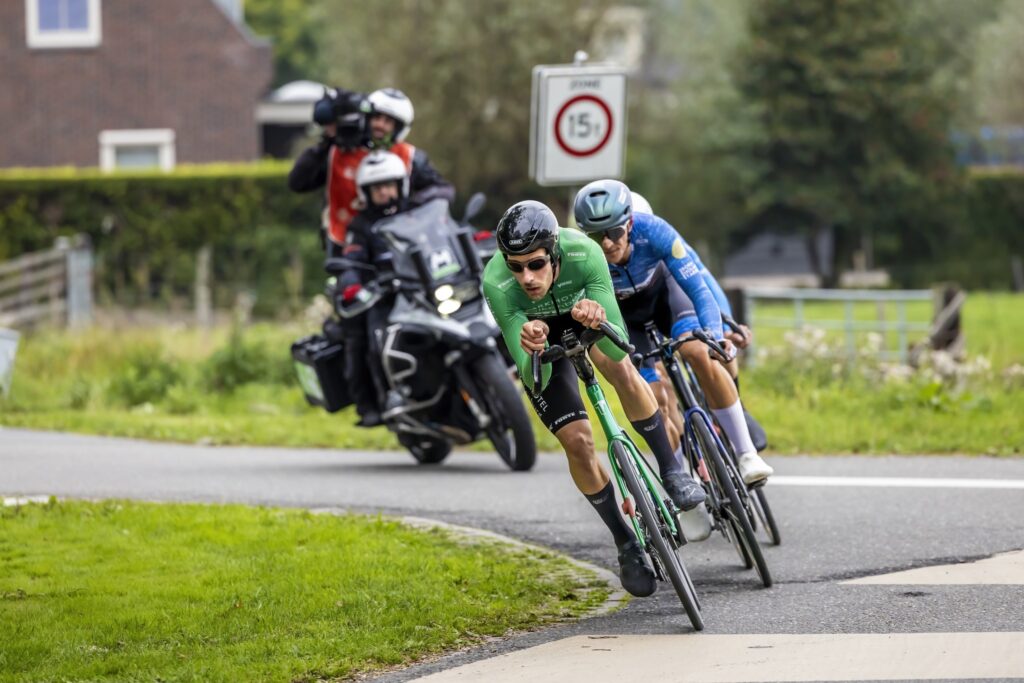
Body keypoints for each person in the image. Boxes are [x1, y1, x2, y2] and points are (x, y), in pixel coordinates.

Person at [482, 200, 707, 598]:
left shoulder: (584, 253)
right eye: (516, 266)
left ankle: (672, 470)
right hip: (538, 335)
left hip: (585, 311)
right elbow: (532, 372)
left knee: (619, 369)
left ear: (553, 252)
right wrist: (530, 345)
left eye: (535, 264)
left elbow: (619, 345)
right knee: (578, 441)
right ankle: (625, 543)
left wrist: (596, 315)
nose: (526, 277)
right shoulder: (496, 282)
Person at [573, 180, 773, 485]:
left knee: (698, 351)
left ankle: (746, 452)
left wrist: (717, 333)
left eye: (614, 233)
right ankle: (681, 480)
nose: (607, 244)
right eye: (596, 237)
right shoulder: (582, 256)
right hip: (628, 319)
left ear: (629, 224)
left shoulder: (654, 231)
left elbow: (699, 287)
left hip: (667, 300)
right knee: (654, 397)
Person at [335, 151, 454, 426]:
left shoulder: (416, 211)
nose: (385, 192)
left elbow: (444, 231)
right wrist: (352, 284)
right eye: (378, 188)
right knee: (379, 340)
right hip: (387, 295)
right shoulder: (361, 225)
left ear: (400, 185)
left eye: (389, 185)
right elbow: (350, 259)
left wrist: (471, 239)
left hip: (426, 285)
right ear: (367, 192)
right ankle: (392, 395)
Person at [287, 87, 452, 254]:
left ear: (399, 127)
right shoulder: (337, 151)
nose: (380, 125)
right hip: (345, 247)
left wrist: (410, 208)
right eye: (377, 118)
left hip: (399, 245)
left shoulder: (410, 156)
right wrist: (327, 142)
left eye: (388, 121)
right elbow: (298, 183)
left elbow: (442, 190)